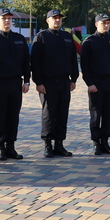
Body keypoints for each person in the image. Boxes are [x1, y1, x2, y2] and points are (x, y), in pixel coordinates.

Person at [0, 8, 29, 161]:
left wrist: (27, 81)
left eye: (9, 18)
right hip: (0, 83)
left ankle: (11, 146)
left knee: (13, 116)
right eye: (3, 19)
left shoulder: (19, 38)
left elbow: (26, 62)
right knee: (0, 116)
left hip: (16, 82)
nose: (7, 21)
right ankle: (1, 147)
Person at [31, 10, 78, 158]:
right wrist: (38, 82)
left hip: (64, 80)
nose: (57, 20)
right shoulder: (41, 37)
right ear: (48, 21)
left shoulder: (67, 36)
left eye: (59, 18)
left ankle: (59, 144)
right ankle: (47, 145)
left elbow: (73, 58)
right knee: (49, 114)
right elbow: (35, 62)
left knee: (62, 113)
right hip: (48, 82)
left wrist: (74, 79)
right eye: (54, 18)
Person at [80, 13, 110, 155]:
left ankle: (105, 141)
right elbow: (85, 65)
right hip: (96, 83)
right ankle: (96, 142)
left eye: (108, 23)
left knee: (108, 113)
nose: (106, 25)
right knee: (95, 114)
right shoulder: (89, 42)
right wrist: (89, 83)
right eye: (103, 23)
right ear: (96, 24)